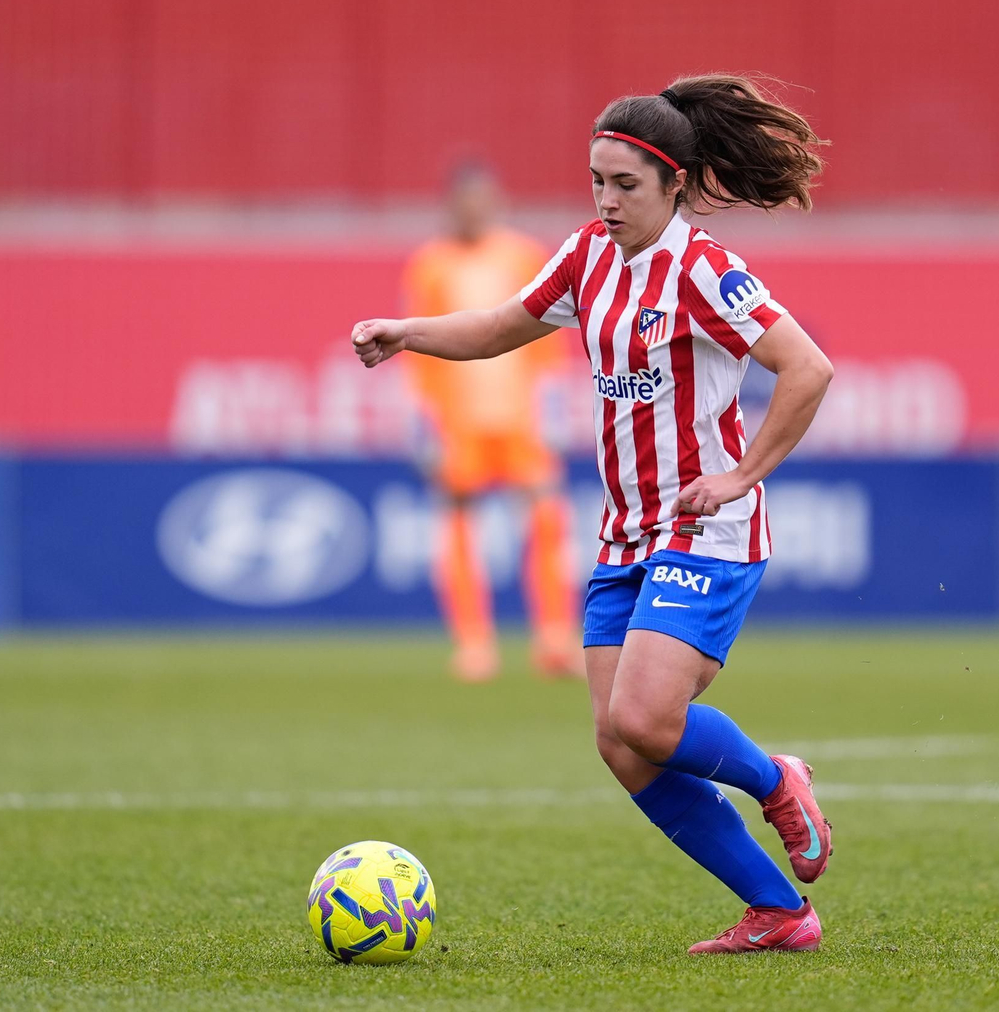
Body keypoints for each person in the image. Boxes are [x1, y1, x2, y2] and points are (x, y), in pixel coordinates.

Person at [353, 74, 835, 955]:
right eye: (596, 182)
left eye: (625, 185)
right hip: (625, 533)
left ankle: (775, 779)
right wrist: (408, 331)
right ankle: (779, 912)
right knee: (623, 746)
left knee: (646, 718)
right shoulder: (587, 256)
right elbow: (501, 326)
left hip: (704, 530)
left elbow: (808, 368)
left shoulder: (705, 270)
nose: (607, 201)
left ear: (674, 185)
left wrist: (741, 475)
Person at [402, 163, 579, 682]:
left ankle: (554, 638)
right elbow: (418, 351)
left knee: (546, 520)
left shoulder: (522, 255)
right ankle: (474, 644)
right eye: (465, 201)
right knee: (459, 523)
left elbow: (549, 337)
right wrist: (425, 423)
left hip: (520, 418)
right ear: (450, 205)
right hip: (460, 422)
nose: (473, 211)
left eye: (482, 200)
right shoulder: (430, 266)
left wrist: (552, 409)